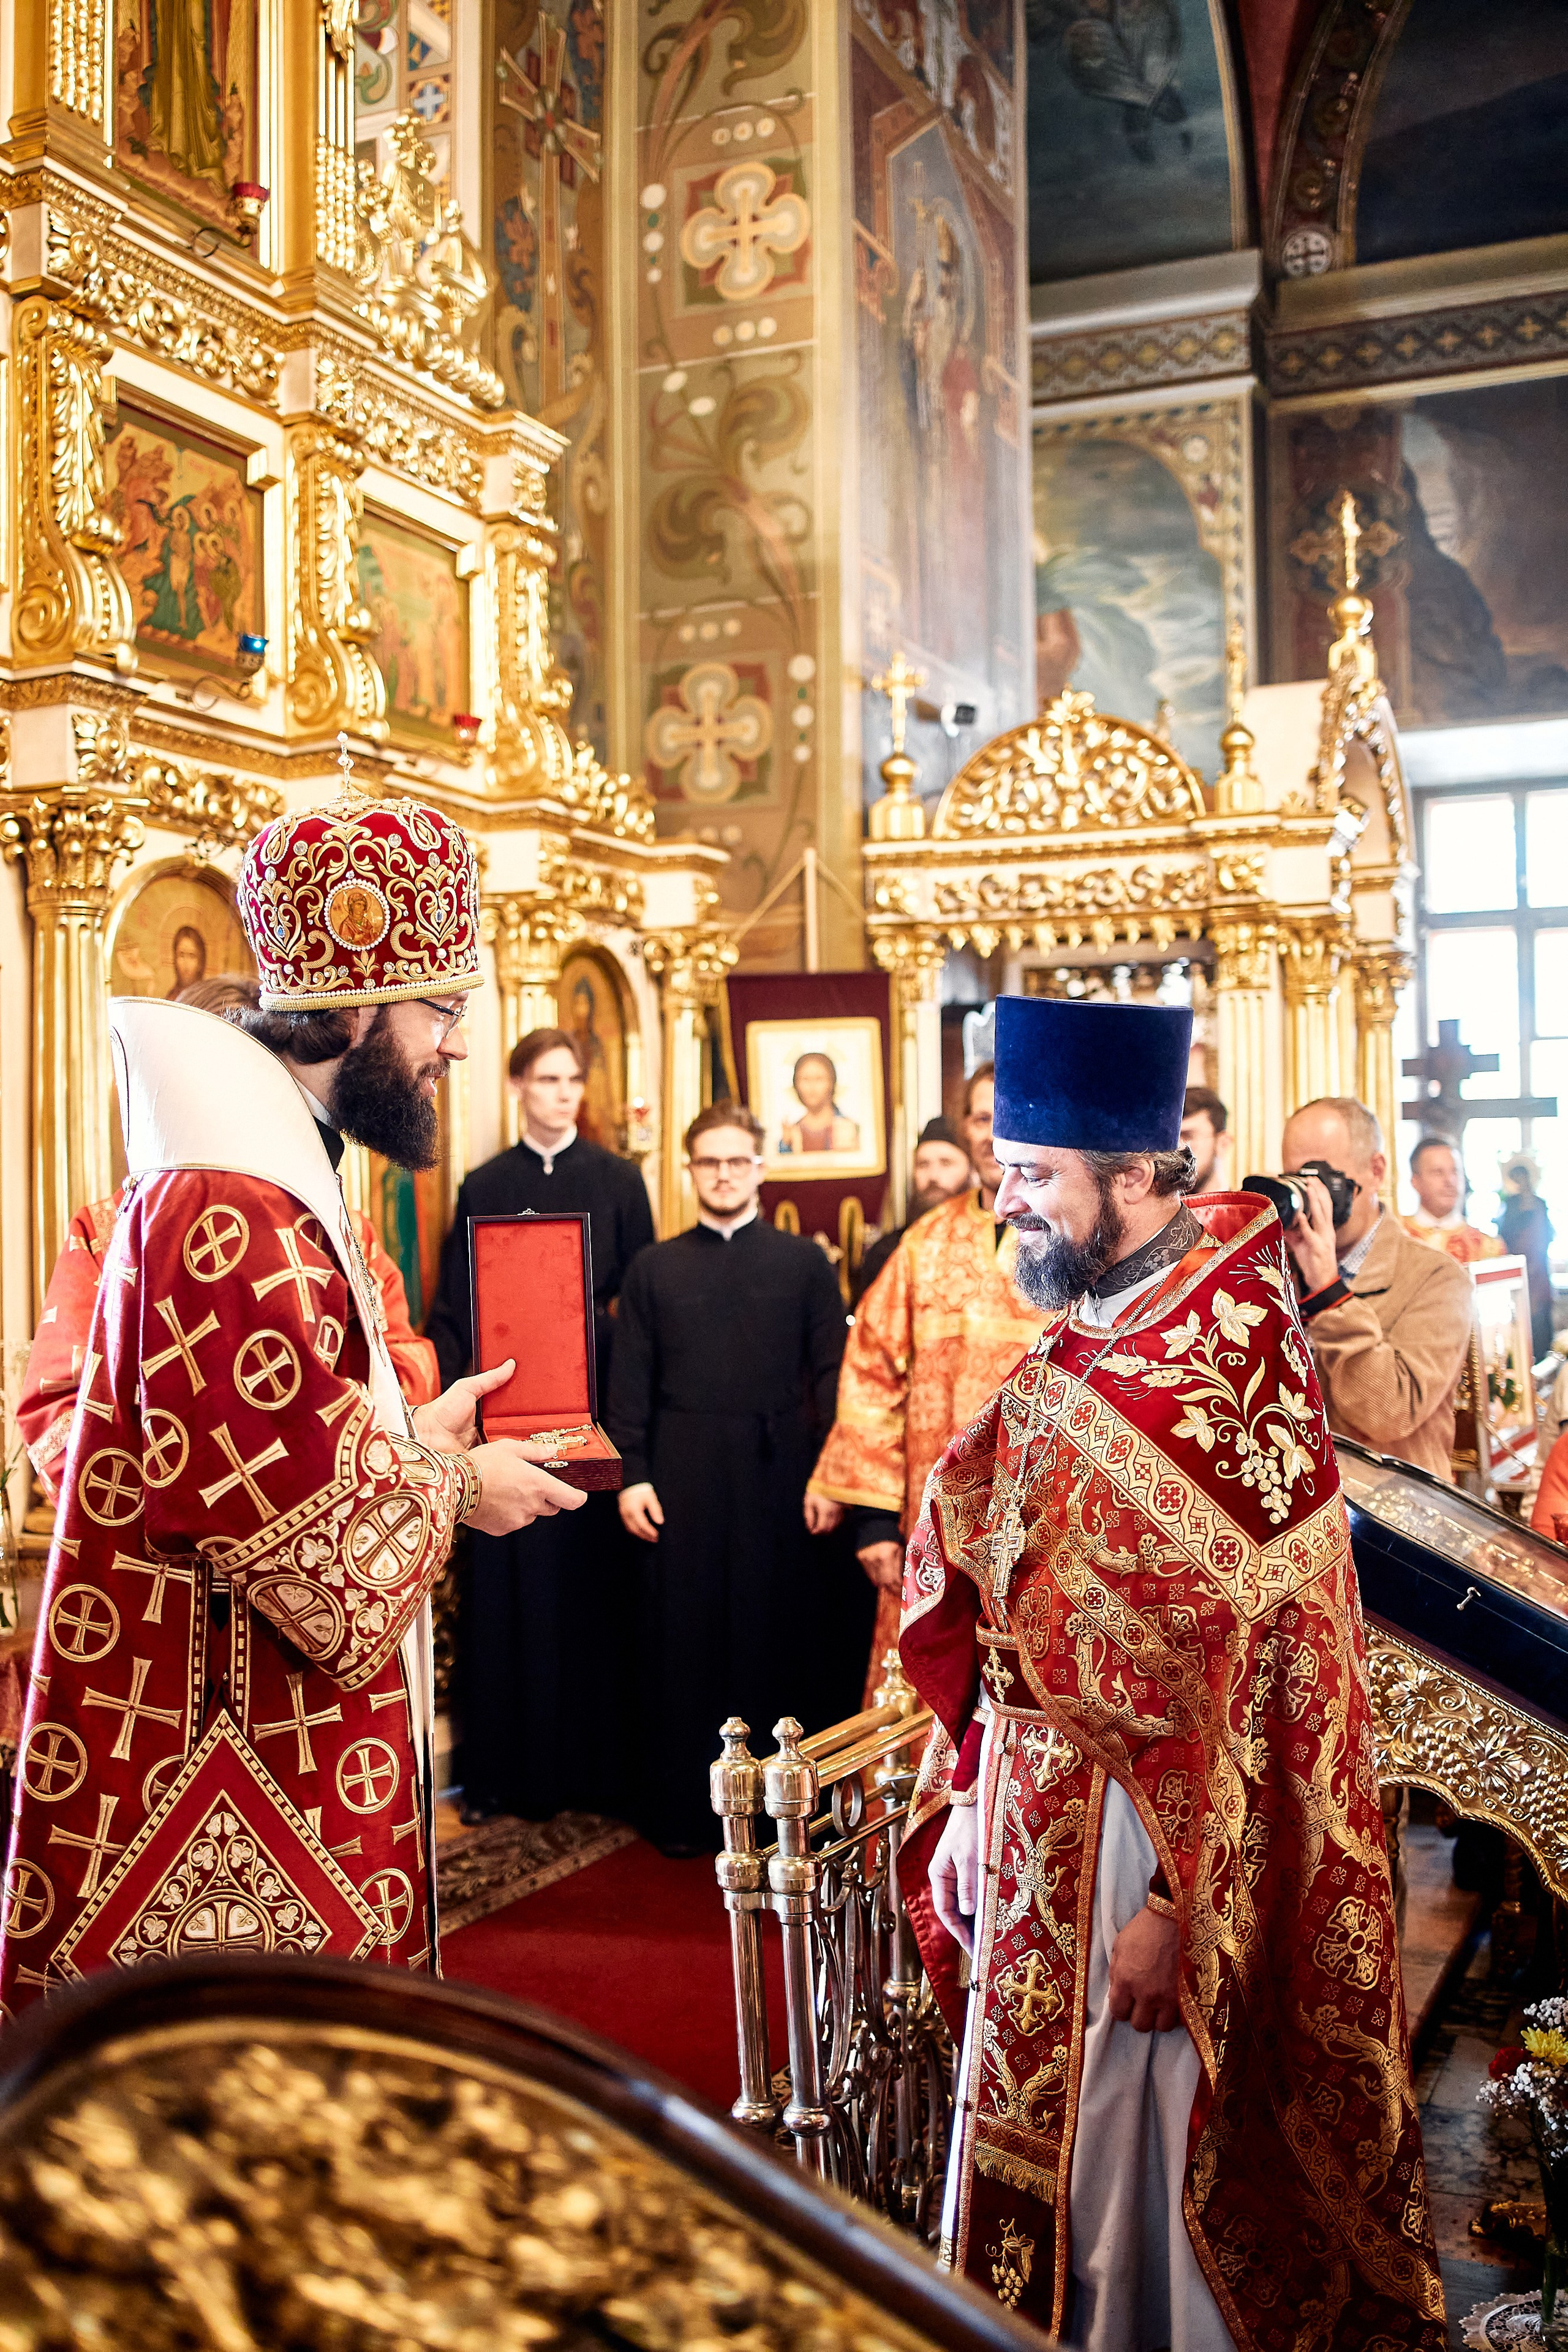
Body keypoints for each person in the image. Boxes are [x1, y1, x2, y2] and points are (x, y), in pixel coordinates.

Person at [902, 995, 1442, 2352]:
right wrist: (969, 1793)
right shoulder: (1088, 1316)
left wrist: (1167, 1904)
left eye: (1032, 1178)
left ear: (1131, 1176)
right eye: (1004, 1172)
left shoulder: (1225, 1349)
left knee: (1136, 2178)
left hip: (1154, 1862)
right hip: (1027, 1828)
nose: (1004, 1204)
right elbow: (998, 1585)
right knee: (1033, 2169)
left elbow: (1256, 1666)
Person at [0, 788, 582, 2015]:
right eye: (442, 1009)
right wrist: (457, 1484)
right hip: (219, 1763)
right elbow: (274, 1521)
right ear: (358, 1004)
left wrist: (406, 1434)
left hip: (257, 1736)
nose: (456, 1046)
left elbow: (268, 1439)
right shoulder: (227, 1202)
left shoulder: (270, 1180)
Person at [17, 978, 438, 1507]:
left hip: (329, 1517)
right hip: (178, 1551)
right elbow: (57, 1407)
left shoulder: (344, 1229)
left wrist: (347, 1431)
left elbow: (400, 1363)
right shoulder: (108, 1235)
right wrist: (185, 1496)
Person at [606, 1102, 865, 1853]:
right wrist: (631, 1476)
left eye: (736, 1162)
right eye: (707, 1163)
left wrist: (830, 1476)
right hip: (680, 1474)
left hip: (780, 1472)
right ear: (688, 1172)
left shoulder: (805, 1263)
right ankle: (687, 1816)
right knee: (683, 1639)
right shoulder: (653, 1267)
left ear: (760, 1168)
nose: (722, 1175)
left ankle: (783, 1816)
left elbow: (834, 1376)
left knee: (776, 1631)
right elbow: (629, 1384)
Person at [426, 1025, 655, 1824]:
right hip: (508, 1417)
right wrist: (464, 1405)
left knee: (590, 1592)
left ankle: (594, 1774)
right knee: (511, 1593)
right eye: (547, 1079)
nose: (563, 1094)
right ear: (518, 1086)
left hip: (589, 1413)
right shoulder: (485, 1183)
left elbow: (642, 1304)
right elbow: (458, 1303)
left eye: (572, 1080)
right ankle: (506, 1777)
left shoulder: (619, 1180)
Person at [810, 1065, 1042, 1699]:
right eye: (978, 1116)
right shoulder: (923, 1243)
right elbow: (869, 1378)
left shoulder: (1078, 1239)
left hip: (1044, 1533)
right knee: (923, 1695)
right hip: (928, 1526)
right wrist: (873, 1524)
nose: (994, 1132)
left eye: (1010, 1113)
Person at [1280, 1096, 1473, 1480]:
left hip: (1390, 1523)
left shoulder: (1438, 1277)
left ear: (1376, 1170)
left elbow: (1388, 1414)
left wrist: (1328, 1292)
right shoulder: (1280, 1268)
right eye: (1297, 1180)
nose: (1312, 1197)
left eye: (1321, 1177)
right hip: (1296, 1510)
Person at [852, 1114, 974, 1303]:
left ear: (971, 1171)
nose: (933, 1176)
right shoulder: (888, 1252)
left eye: (946, 1163)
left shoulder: (991, 1248)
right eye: (923, 1164)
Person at [1400, 1134, 1505, 1265]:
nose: (1450, 1181)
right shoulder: (1393, 1238)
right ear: (1415, 1182)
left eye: (1455, 1172)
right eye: (1438, 1172)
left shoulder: (1489, 1249)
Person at [1499, 1152, 1556, 1360]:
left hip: (1539, 1274)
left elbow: (1548, 1234)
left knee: (1540, 1321)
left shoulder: (1540, 1204)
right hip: (1516, 1271)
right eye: (1518, 1177)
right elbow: (1504, 1234)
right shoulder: (1511, 1205)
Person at [778, 1052, 859, 1154]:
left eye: (819, 1079)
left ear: (831, 1083)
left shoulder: (847, 1128)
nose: (812, 1087)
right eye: (805, 1079)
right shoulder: (792, 1133)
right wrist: (787, 1145)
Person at [1178, 1084, 1229, 1194]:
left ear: (1223, 1144)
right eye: (1173, 1139)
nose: (1178, 1148)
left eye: (1188, 1137)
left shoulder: (1249, 1211)